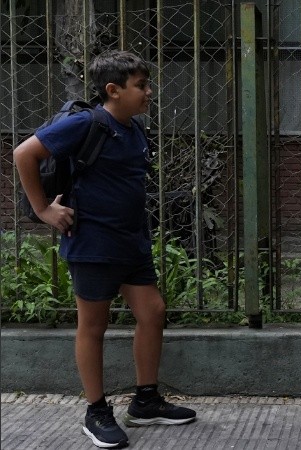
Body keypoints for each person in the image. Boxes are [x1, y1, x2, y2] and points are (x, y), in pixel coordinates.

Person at [13, 50, 196, 449]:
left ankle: (145, 401)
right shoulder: (86, 123)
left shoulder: (132, 128)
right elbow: (24, 153)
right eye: (141, 86)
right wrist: (44, 210)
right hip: (93, 244)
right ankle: (96, 411)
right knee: (93, 326)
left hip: (131, 241)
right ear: (113, 90)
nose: (149, 92)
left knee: (153, 312)